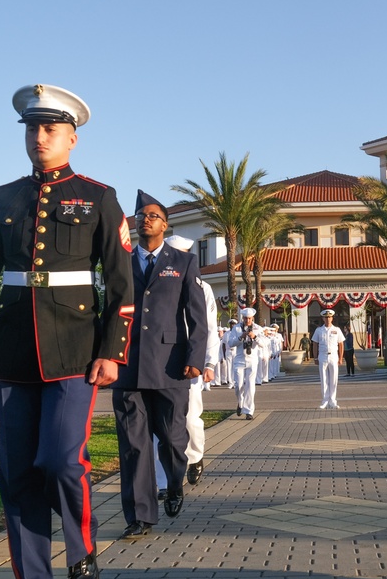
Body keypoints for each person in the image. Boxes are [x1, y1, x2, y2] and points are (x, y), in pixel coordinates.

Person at [0, 84, 134, 579]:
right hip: (11, 351)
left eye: (50, 129)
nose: (39, 138)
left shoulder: (98, 196)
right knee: (16, 477)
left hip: (74, 352)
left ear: (72, 137)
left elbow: (121, 282)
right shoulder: (1, 198)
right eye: (33, 129)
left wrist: (112, 351)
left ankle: (81, 549)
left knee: (59, 461)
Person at [111, 192, 208, 541]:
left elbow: (196, 316)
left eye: (153, 215)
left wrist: (196, 359)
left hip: (170, 366)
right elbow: (107, 312)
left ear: (165, 225)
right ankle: (140, 517)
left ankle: (175, 482)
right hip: (127, 365)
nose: (145, 219)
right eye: (140, 215)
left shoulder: (182, 262)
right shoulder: (118, 262)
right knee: (133, 446)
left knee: (170, 437)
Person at [162, 233, 220, 488]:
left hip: (190, 360)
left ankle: (195, 457)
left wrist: (209, 363)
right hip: (161, 359)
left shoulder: (202, 287)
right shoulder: (158, 281)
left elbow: (207, 327)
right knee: (160, 419)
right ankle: (163, 478)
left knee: (190, 416)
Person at [227, 307, 269, 419]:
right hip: (239, 359)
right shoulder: (236, 328)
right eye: (245, 318)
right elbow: (230, 343)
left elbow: (264, 343)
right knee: (238, 385)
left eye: (249, 318)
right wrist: (241, 337)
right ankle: (240, 403)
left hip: (252, 359)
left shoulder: (258, 328)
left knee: (250, 386)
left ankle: (249, 411)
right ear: (243, 318)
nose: (247, 321)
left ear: (252, 318)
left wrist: (254, 337)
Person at [312, 309, 345, 409]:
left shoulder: (337, 330)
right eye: (326, 317)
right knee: (324, 379)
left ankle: (333, 401)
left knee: (334, 379)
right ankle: (325, 400)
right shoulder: (319, 330)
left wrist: (340, 358)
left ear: (332, 318)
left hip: (333, 356)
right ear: (323, 318)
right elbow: (315, 344)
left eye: (329, 317)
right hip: (322, 355)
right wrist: (315, 357)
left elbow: (341, 344)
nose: (328, 319)